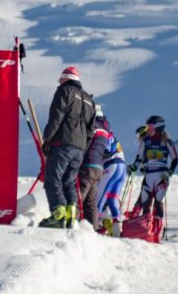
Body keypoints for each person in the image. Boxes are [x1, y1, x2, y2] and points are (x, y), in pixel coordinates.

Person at [37, 66, 95, 228]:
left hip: (63, 143)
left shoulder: (64, 91)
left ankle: (58, 215)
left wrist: (47, 139)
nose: (59, 82)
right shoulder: (89, 100)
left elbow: (56, 116)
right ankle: (71, 216)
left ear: (65, 78)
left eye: (60, 80)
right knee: (68, 182)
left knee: (52, 179)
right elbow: (91, 130)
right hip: (79, 148)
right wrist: (83, 148)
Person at [129, 115, 178, 221]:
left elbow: (175, 159)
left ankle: (157, 232)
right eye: (147, 127)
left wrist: (170, 172)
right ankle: (145, 231)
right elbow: (139, 157)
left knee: (158, 202)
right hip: (148, 176)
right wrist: (133, 167)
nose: (148, 129)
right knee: (145, 203)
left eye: (150, 127)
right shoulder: (145, 141)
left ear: (159, 127)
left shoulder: (168, 141)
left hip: (161, 176)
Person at [78, 106, 112, 230]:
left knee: (77, 199)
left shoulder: (93, 126)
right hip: (98, 168)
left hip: (88, 166)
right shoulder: (105, 129)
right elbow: (107, 150)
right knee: (90, 203)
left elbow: (84, 145)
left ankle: (69, 228)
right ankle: (93, 230)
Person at [96, 125, 127, 235]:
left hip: (111, 166)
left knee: (99, 199)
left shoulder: (103, 133)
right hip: (122, 168)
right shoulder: (112, 135)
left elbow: (108, 150)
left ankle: (92, 229)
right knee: (112, 200)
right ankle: (118, 231)